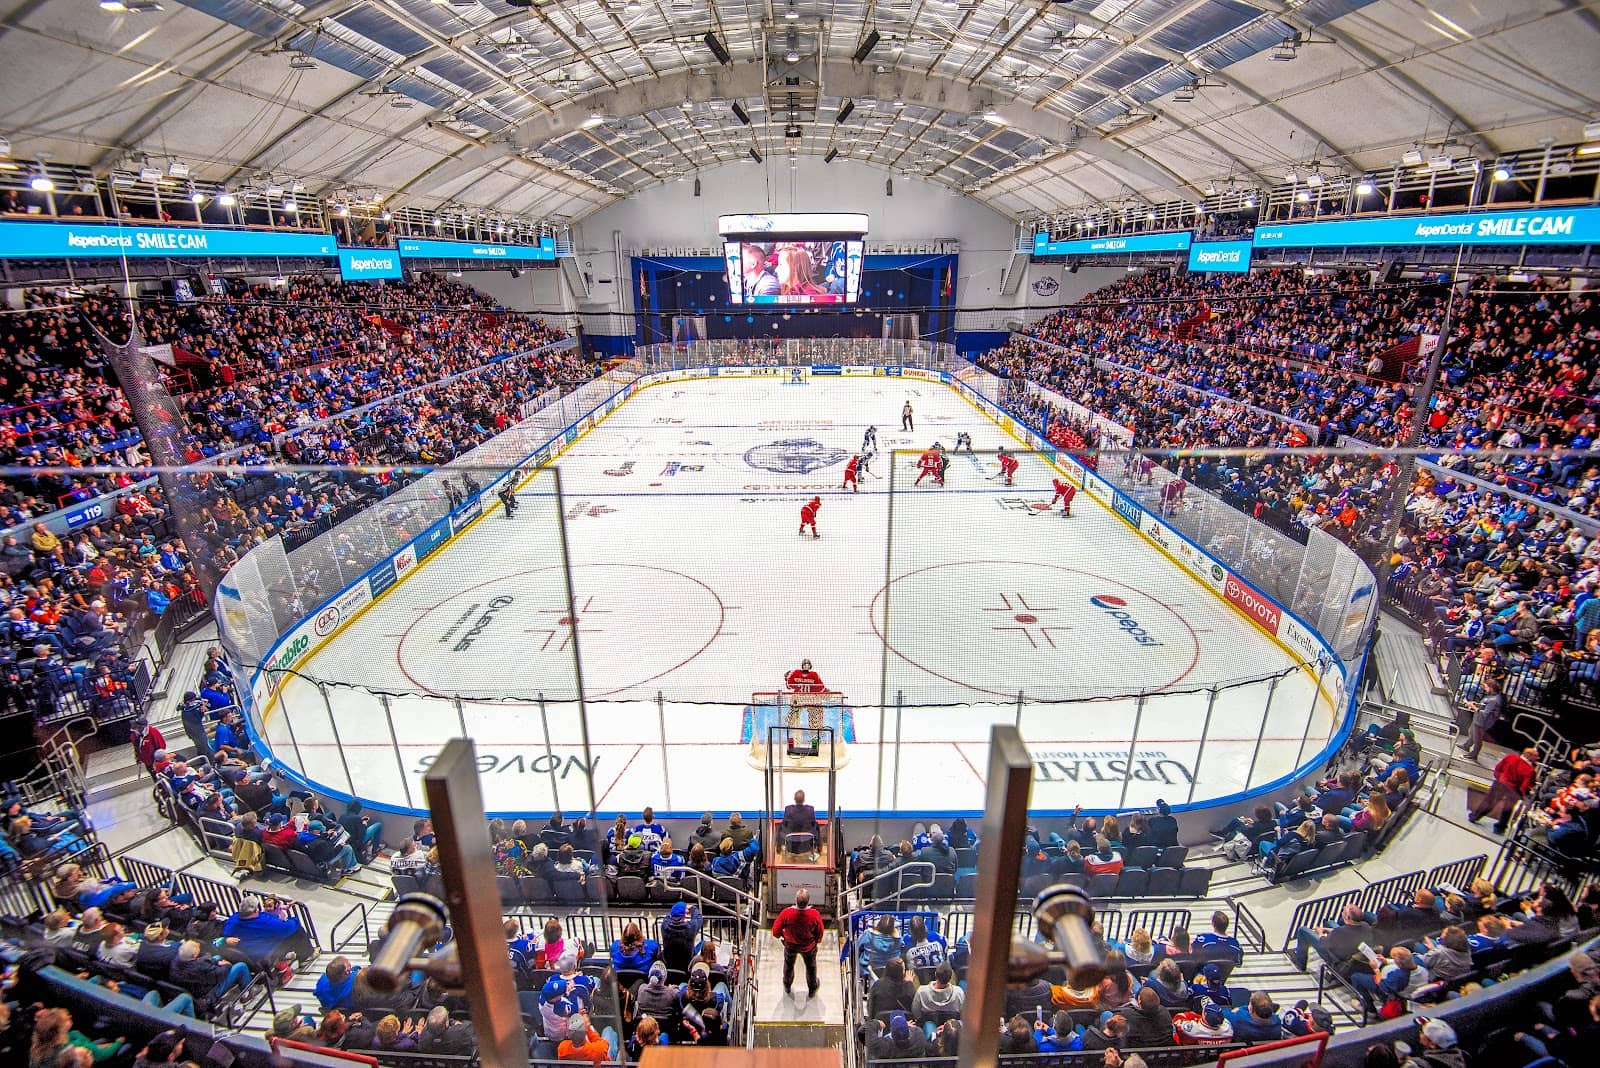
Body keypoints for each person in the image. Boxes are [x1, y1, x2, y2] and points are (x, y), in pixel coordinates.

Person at [1470, 746, 1536, 834]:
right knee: (1507, 810)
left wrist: (1499, 779)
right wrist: (1522, 794)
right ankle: (1500, 828)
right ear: (1529, 755)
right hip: (1513, 790)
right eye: (1536, 756)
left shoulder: (1510, 757)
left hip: (1500, 783)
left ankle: (1475, 816)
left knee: (1489, 801)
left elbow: (1498, 768)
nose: (1537, 758)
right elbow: (1525, 786)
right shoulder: (1530, 770)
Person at [772, 887, 824, 998]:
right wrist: (816, 941)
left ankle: (787, 985)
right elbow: (820, 931)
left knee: (789, 965)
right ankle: (812, 988)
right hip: (809, 947)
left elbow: (775, 931)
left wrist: (783, 937)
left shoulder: (786, 913)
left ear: (795, 900)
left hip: (790, 946)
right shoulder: (814, 914)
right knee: (811, 967)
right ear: (808, 901)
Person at [1459, 677, 1504, 760]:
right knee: (1472, 732)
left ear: (1491, 688)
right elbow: (1484, 705)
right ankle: (1466, 745)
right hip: (1478, 719)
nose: (1485, 689)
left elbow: (1486, 713)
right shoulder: (1490, 696)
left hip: (1483, 722)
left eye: (1486, 687)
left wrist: (1473, 707)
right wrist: (1476, 704)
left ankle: (1473, 755)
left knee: (1477, 738)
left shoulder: (1494, 700)